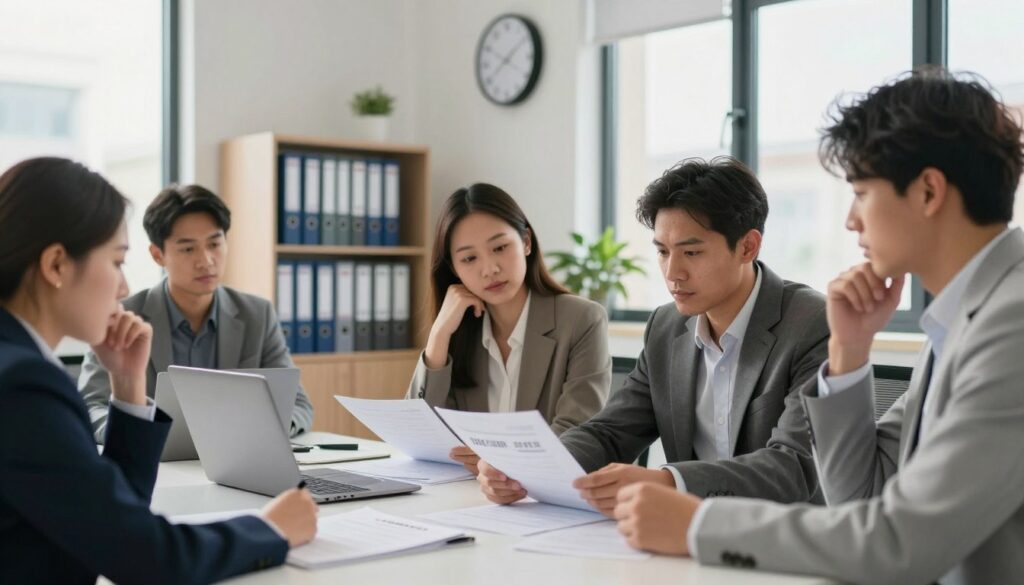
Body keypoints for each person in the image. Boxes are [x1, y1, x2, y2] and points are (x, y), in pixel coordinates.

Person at [612, 68, 1024, 585]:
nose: (852, 220)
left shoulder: (1012, 325)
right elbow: (859, 494)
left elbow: (900, 544)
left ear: (928, 191)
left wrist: (699, 525)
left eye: (862, 192)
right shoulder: (965, 319)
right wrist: (850, 351)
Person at [0, 157, 317, 583]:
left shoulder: (17, 366)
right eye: (116, 262)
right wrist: (270, 529)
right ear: (56, 265)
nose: (124, 287)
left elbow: (113, 522)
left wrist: (128, 388)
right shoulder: (23, 385)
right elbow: (150, 558)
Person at [476, 157, 830, 515]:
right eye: (662, 252)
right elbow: (610, 432)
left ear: (748, 247)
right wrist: (530, 469)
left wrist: (667, 481)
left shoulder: (812, 323)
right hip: (687, 537)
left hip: (787, 540)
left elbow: (794, 469)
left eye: (692, 252)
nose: (673, 273)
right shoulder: (667, 327)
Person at [79, 184, 314, 442]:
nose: (206, 260)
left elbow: (298, 405)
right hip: (158, 466)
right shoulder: (123, 316)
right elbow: (91, 408)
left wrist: (270, 428)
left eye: (214, 244)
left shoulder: (257, 314)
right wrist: (141, 433)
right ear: (158, 255)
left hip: (238, 462)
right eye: (188, 249)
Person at [407, 183, 611, 473]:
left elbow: (575, 433)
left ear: (526, 241)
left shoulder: (581, 320)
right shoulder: (459, 329)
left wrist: (499, 465)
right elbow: (419, 438)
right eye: (469, 258)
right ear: (454, 268)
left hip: (546, 502)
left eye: (500, 248)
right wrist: (438, 337)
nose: (489, 268)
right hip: (466, 498)